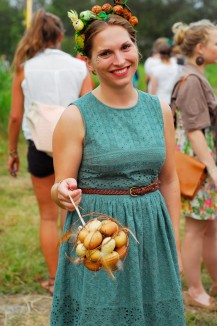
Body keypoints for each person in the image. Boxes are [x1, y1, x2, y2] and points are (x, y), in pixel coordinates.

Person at [50, 4, 185, 325]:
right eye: (105, 53)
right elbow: (60, 187)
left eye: (125, 47)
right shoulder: (75, 116)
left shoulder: (160, 110)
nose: (120, 60)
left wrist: (173, 245)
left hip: (152, 230)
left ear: (136, 47)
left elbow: (169, 180)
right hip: (99, 237)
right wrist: (62, 192)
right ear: (89, 63)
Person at [7, 9, 93, 294]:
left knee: (47, 216)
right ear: (59, 36)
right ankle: (83, 275)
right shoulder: (79, 67)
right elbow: (91, 110)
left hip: (39, 147)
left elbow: (15, 117)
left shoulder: (25, 67)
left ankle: (56, 280)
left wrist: (12, 151)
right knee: (76, 213)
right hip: (75, 148)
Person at [172, 20, 217, 310]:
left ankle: (212, 283)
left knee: (209, 226)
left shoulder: (196, 75)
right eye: (215, 42)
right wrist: (212, 169)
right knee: (195, 228)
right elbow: (193, 130)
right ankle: (195, 291)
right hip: (198, 165)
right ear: (200, 48)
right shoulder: (191, 80)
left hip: (202, 161)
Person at [149, 38, 179, 104]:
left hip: (159, 102)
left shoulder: (155, 70)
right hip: (172, 101)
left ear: (160, 53)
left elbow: (153, 91)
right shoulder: (177, 68)